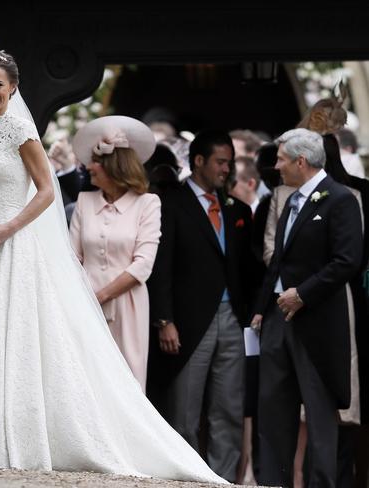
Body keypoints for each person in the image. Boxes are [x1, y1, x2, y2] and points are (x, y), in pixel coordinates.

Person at [0, 51, 226, 484]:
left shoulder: (21, 129)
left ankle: (31, 435)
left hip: (19, 243)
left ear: (12, 87)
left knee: (24, 335)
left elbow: (46, 191)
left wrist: (9, 227)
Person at [251, 128, 362, 488]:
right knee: (273, 413)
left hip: (318, 324)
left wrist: (303, 294)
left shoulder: (341, 199)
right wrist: (260, 308)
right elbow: (279, 261)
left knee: (318, 417)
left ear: (301, 161)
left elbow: (347, 261)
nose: (276, 165)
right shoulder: (289, 199)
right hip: (277, 321)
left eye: (281, 159)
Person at [147, 130, 255, 482]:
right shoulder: (170, 201)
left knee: (228, 408)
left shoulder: (236, 207)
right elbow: (160, 265)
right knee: (184, 411)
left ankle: (221, 479)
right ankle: (186, 478)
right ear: (199, 161)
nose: (227, 169)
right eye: (221, 162)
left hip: (231, 319)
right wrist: (165, 320)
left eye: (230, 163)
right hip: (189, 321)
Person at [68, 115, 161, 390]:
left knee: (127, 381)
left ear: (113, 166)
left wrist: (101, 296)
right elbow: (72, 256)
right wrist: (84, 299)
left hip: (128, 305)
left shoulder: (148, 204)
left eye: (95, 161)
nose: (88, 167)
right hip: (85, 303)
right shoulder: (84, 201)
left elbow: (143, 265)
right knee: (88, 380)